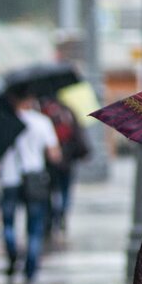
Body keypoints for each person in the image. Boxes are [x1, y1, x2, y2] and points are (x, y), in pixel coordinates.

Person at [0, 90, 60, 281]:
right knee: (34, 226)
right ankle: (30, 267)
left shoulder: (3, 121)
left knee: (8, 223)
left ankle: (12, 253)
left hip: (9, 179)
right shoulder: (41, 122)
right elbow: (54, 155)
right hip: (34, 178)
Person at [40, 96, 89, 242]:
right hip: (67, 161)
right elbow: (78, 134)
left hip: (50, 163)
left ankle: (52, 218)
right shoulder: (67, 112)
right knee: (65, 191)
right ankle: (61, 215)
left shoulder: (44, 113)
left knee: (51, 192)